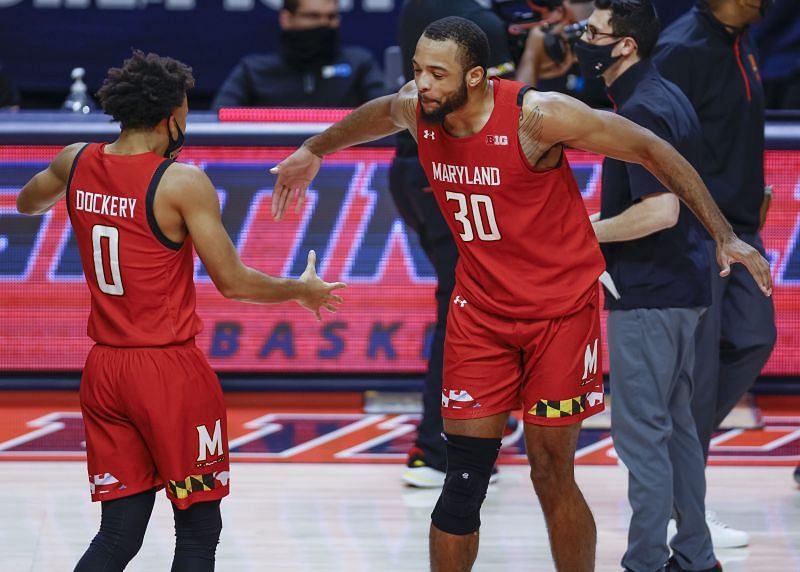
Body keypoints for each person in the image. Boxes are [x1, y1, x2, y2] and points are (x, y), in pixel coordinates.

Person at [270, 16, 771, 571]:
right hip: (481, 314)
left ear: (478, 76)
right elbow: (378, 113)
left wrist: (724, 234)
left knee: (551, 472)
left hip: (559, 316)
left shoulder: (539, 116)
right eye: (417, 70)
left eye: (438, 73)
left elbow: (652, 148)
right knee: (463, 480)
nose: (423, 84)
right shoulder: (417, 108)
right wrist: (314, 149)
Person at [16, 50, 345, 571]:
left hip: (104, 370)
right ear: (170, 115)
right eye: (186, 111)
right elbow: (234, 283)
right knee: (197, 530)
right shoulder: (180, 182)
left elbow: (27, 203)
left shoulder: (74, 160)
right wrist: (299, 291)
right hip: (167, 373)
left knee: (119, 534)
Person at [576, 1, 718, 570]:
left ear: (626, 45)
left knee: (642, 439)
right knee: (678, 431)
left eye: (593, 31)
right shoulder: (667, 94)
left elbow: (659, 212)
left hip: (651, 293)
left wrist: (589, 232)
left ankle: (644, 562)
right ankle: (696, 556)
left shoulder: (640, 110)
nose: (581, 38)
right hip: (685, 288)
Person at [653, 0, 778, 547]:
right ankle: (683, 512)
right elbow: (657, 147)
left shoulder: (740, 36)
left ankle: (672, 456)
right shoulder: (683, 48)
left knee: (754, 338)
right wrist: (699, 224)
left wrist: (754, 198)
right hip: (702, 233)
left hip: (743, 227)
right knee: (696, 377)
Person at [394, 0, 517, 489]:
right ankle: (435, 446)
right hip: (449, 170)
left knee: (466, 300)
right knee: (463, 305)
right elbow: (505, 101)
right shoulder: (478, 26)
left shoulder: (416, 10)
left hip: (409, 167)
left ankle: (473, 430)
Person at [211, 0, 385, 109]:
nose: (324, 24)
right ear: (287, 19)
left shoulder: (359, 65)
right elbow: (219, 121)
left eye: (331, 17)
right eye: (313, 16)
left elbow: (388, 116)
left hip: (345, 157)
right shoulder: (253, 71)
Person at [514, 0, 609, 107]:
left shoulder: (608, 45)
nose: (544, 20)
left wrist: (532, 53)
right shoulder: (549, 43)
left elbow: (520, 110)